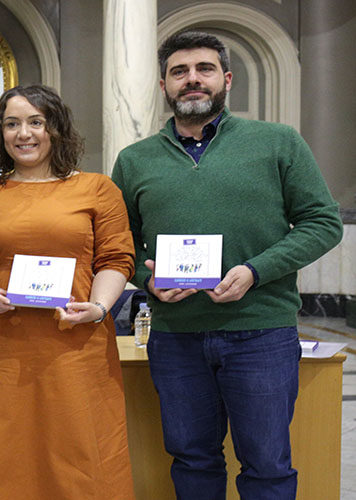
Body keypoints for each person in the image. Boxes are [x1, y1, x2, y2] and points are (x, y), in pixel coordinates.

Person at [111, 31, 343, 500]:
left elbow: (323, 223)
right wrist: (147, 279)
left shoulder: (277, 142)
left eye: (204, 69)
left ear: (226, 79)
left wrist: (255, 271)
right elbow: (120, 243)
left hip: (260, 333)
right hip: (176, 337)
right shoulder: (134, 160)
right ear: (163, 86)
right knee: (192, 460)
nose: (192, 79)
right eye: (179, 71)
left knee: (267, 466)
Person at [0, 84, 136, 499]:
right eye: (12, 124)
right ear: (0, 134)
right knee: (2, 455)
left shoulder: (97, 189)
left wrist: (99, 306)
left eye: (36, 122)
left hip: (75, 346)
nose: (24, 133)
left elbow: (116, 259)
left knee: (79, 458)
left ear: (56, 128)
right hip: (1, 348)